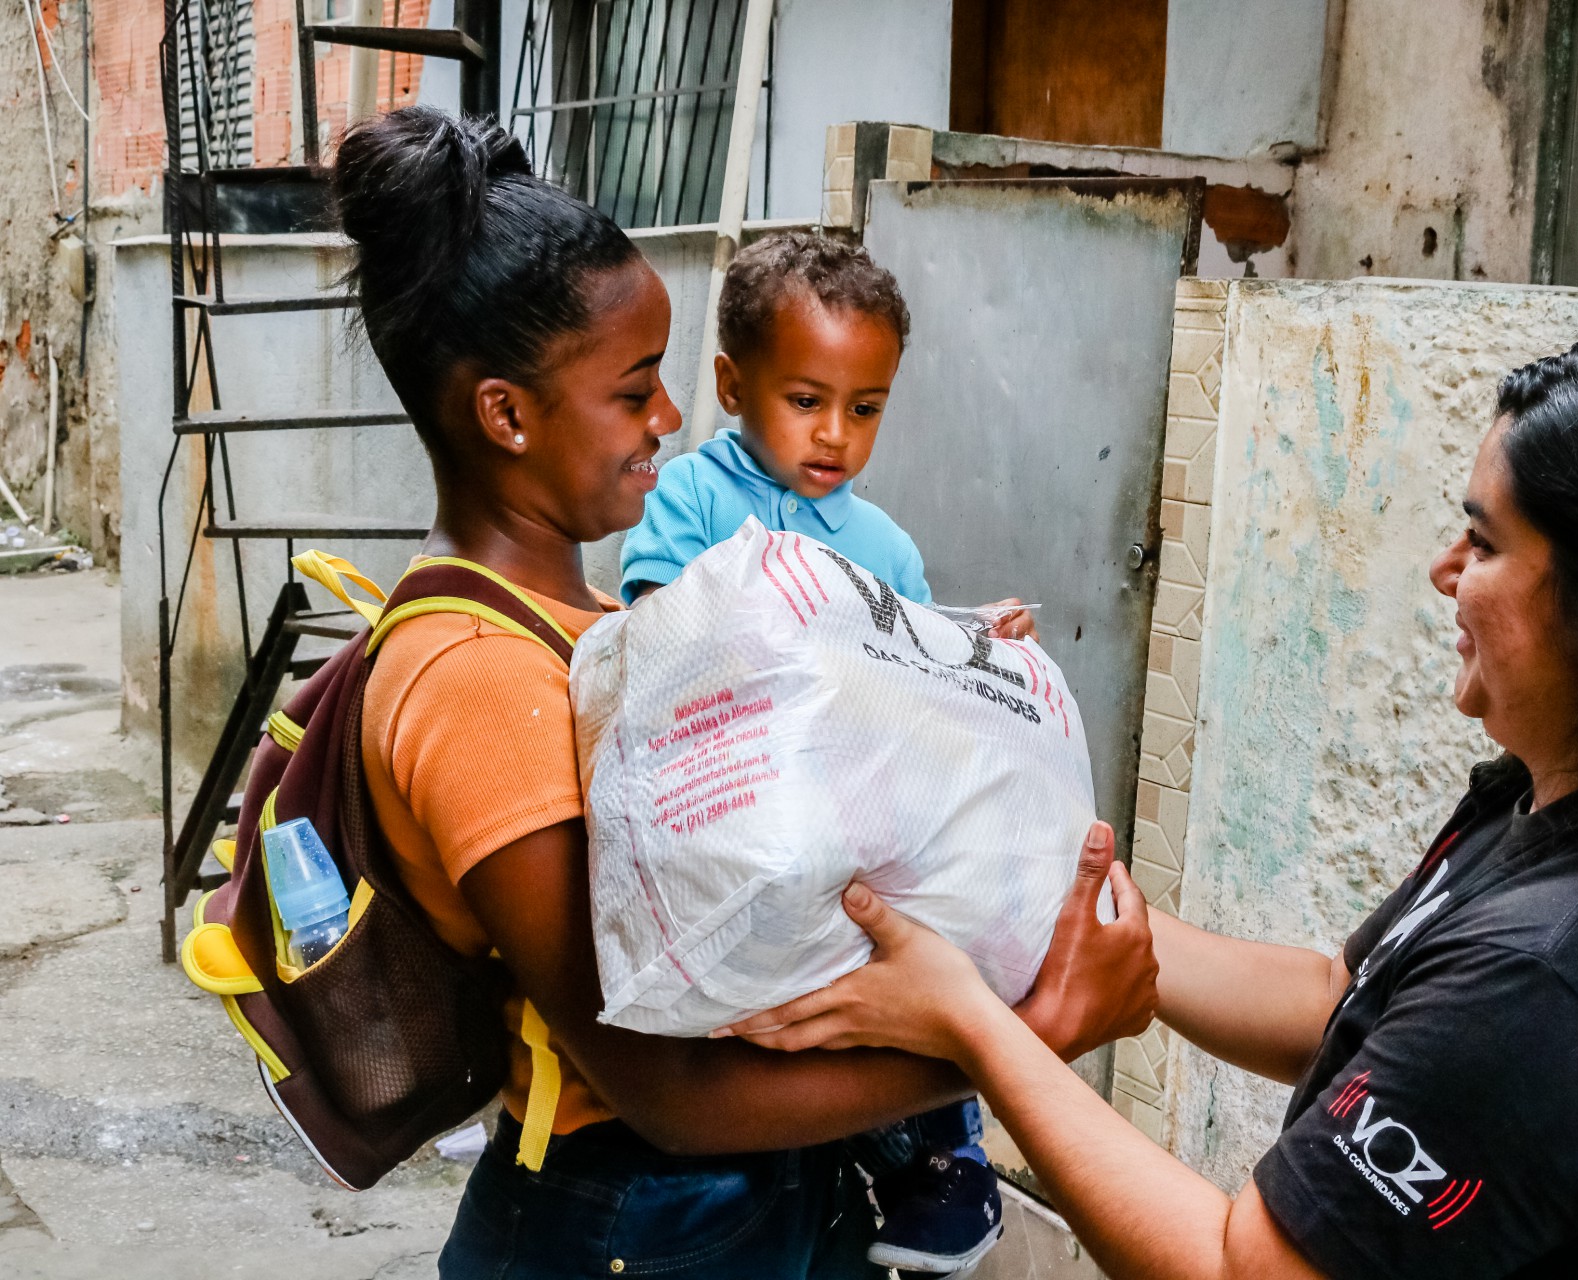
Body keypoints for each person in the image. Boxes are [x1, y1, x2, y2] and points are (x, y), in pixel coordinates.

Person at [729, 327, 1578, 1278]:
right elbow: (1338, 997)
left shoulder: (1563, 979)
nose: (1445, 573)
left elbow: (1240, 1264)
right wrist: (1041, 886)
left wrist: (977, 1025)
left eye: (1484, 542)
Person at [330, 106, 1152, 1280]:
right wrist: (1020, 1036)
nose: (670, 419)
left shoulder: (589, 628)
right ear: (506, 414)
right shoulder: (474, 674)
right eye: (633, 390)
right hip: (626, 1213)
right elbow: (669, 1088)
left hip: (735, 1192)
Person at [619, 229, 1030, 1274]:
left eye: (867, 407)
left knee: (933, 921)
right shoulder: (693, 498)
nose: (836, 434)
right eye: (807, 400)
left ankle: (947, 1160)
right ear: (732, 382)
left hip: (847, 813)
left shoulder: (884, 542)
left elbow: (908, 672)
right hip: (730, 809)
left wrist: (971, 638)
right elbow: (658, 629)